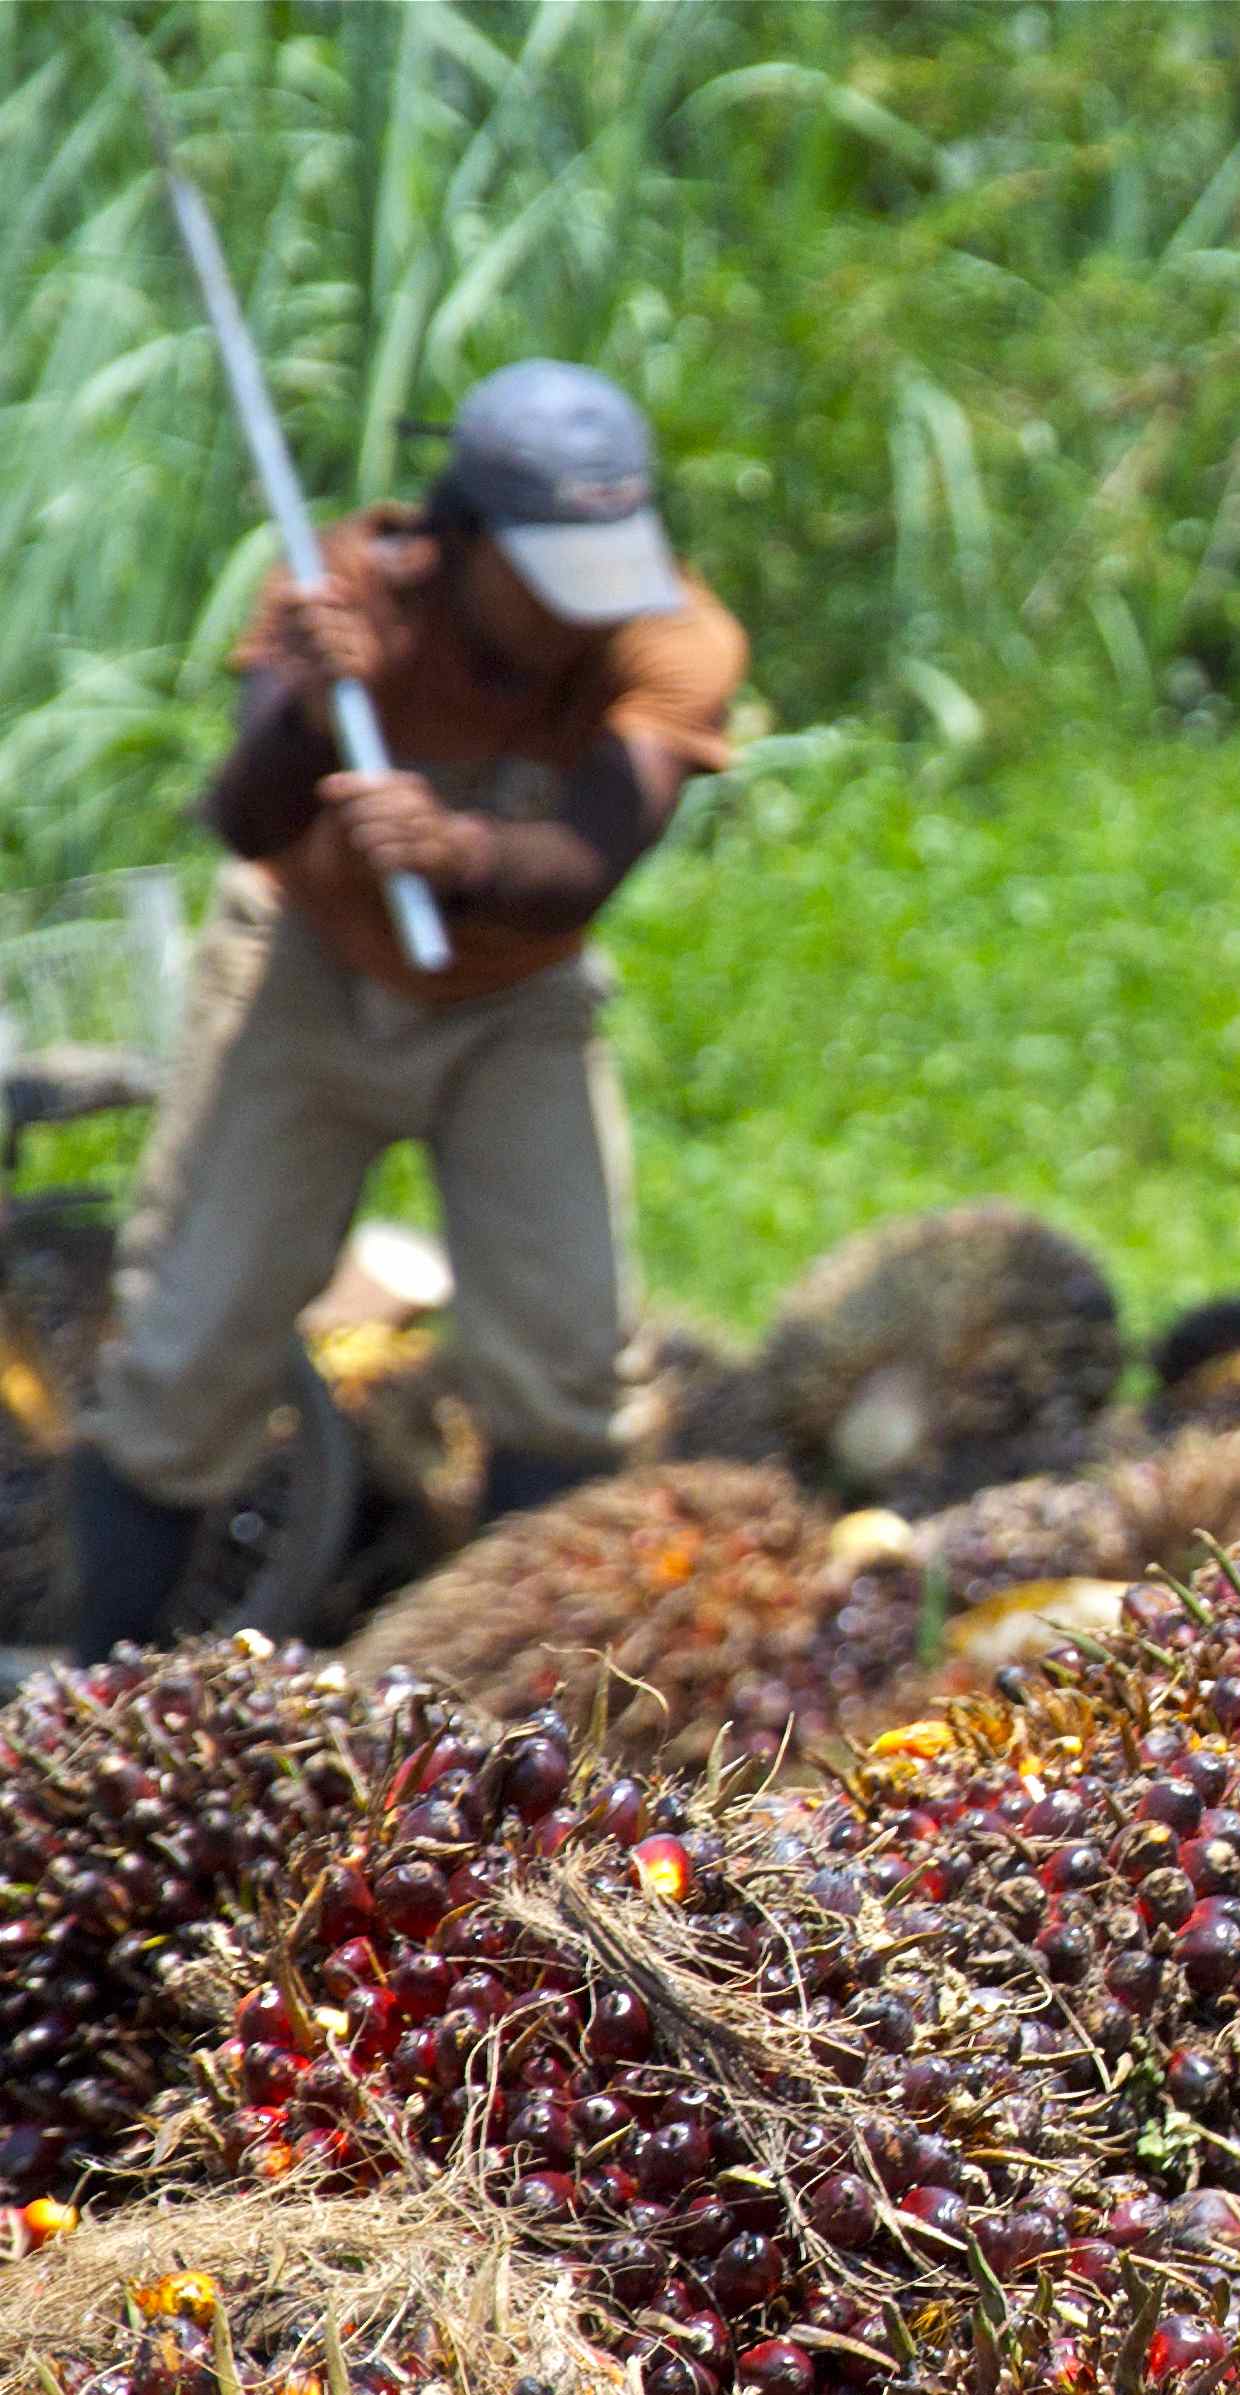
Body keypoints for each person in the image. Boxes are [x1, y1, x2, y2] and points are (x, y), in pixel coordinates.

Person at [67, 360, 745, 1660]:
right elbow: (245, 821)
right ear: (464, 540)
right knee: (188, 1357)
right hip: (307, 970)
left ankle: (523, 1706)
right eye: (547, 578)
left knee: (568, 1373)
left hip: (512, 1000)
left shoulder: (671, 640)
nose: (571, 617)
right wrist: (316, 715)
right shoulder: (350, 599)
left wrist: (456, 852)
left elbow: (586, 868)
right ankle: (99, 1697)